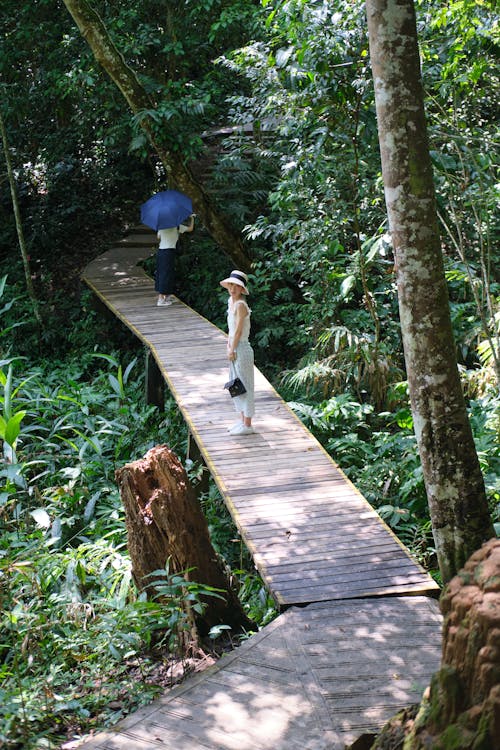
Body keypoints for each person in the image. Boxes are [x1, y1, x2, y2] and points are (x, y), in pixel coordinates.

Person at [220, 270, 255, 435]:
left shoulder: (241, 305)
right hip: (233, 346)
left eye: (237, 286)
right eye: (231, 285)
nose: (233, 289)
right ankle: (242, 421)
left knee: (245, 386)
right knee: (236, 385)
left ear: (242, 289)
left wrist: (232, 349)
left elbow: (240, 331)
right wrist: (228, 346)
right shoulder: (230, 301)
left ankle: (248, 424)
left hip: (241, 347)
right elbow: (231, 329)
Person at [156, 214, 195, 306]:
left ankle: (167, 296)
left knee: (165, 273)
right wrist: (192, 218)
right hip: (168, 252)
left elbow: (158, 237)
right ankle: (161, 299)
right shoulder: (177, 227)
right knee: (165, 274)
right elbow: (190, 229)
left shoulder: (162, 226)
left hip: (162, 252)